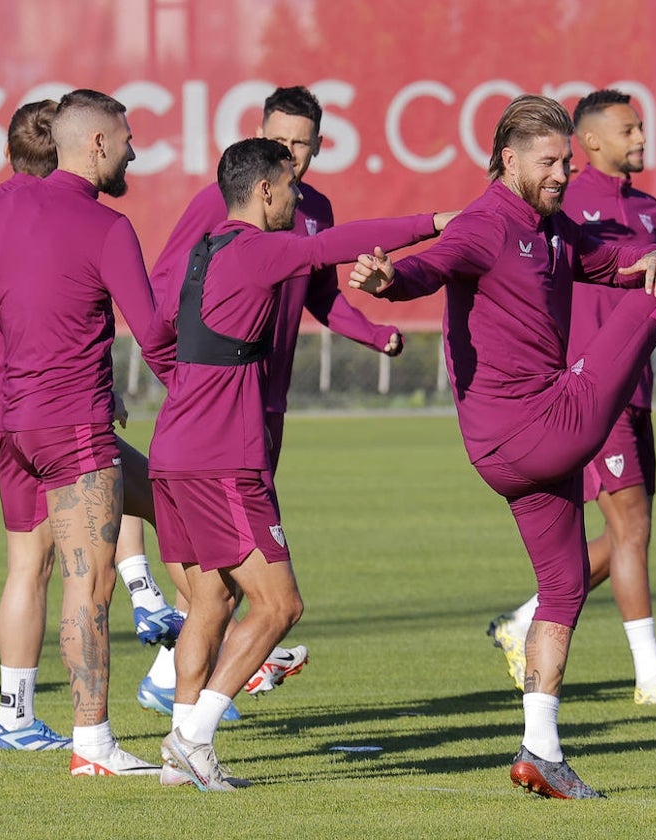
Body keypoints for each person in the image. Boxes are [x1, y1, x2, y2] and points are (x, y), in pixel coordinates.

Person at [348, 94, 656, 799]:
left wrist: (653, 250)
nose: (564, 172)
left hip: (504, 449)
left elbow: (610, 253)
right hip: (538, 424)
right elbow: (431, 267)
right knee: (653, 308)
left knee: (562, 587)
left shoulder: (555, 229)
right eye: (550, 161)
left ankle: (540, 750)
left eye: (567, 159)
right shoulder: (487, 223)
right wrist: (390, 279)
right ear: (508, 160)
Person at [149, 137, 447, 791]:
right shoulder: (258, 249)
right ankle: (194, 739)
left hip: (173, 447)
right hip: (222, 455)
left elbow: (162, 329)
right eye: (289, 187)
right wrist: (435, 224)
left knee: (209, 601)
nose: (297, 197)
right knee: (280, 605)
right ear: (263, 192)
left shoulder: (207, 248)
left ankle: (178, 754)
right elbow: (334, 248)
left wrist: (370, 332)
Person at [0, 89, 173, 776]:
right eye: (125, 137)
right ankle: (99, 737)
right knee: (87, 576)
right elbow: (152, 332)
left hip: (6, 424)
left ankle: (22, 714)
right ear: (91, 144)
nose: (132, 148)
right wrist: (192, 392)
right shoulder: (98, 225)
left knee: (32, 568)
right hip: (68, 421)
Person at [487, 89, 656, 706]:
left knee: (629, 533)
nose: (641, 138)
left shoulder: (647, 207)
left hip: (637, 391)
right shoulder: (559, 205)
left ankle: (525, 616)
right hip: (587, 393)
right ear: (588, 142)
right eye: (628, 130)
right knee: (630, 531)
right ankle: (650, 675)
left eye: (642, 127)